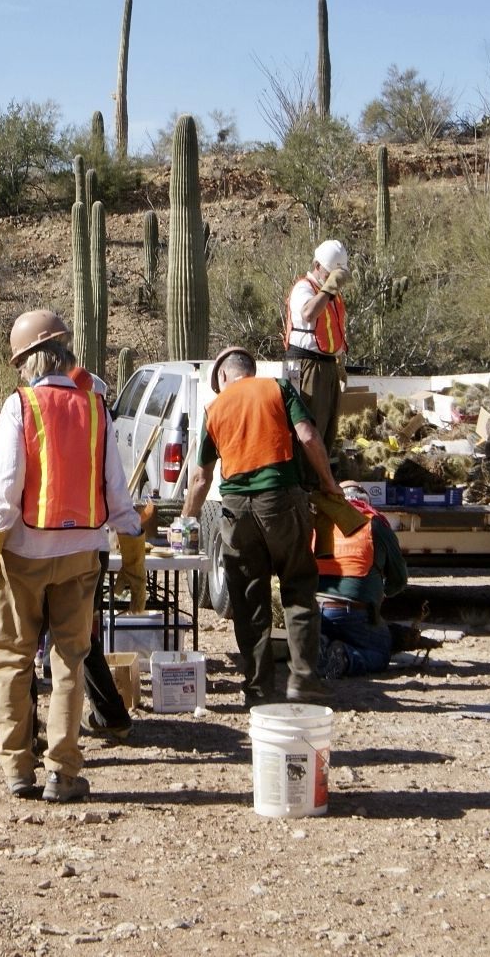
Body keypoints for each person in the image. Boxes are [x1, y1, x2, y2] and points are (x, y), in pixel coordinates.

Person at [0, 310, 140, 803]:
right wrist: (132, 551)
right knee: (70, 660)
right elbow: (117, 490)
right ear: (65, 352)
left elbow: (6, 489)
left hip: (23, 552)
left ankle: (17, 768)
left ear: (28, 359)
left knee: (12, 656)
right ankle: (64, 771)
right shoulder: (97, 408)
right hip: (81, 557)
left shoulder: (20, 406)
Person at [0, 403, 137, 742]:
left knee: (25, 648)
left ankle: (27, 738)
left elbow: (2, 514)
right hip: (84, 548)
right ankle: (100, 723)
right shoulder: (43, 442)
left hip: (35, 557)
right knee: (76, 643)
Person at [178, 346, 344, 708]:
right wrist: (329, 482)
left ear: (223, 377)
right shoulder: (279, 388)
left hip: (236, 511)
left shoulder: (215, 408)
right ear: (249, 370)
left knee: (249, 598)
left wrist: (186, 521)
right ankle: (303, 679)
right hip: (280, 502)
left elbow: (200, 478)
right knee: (298, 586)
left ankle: (257, 687)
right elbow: (309, 436)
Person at [315, 481, 411, 678]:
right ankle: (346, 658)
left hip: (314, 611)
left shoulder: (318, 521)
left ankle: (321, 643)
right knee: (379, 653)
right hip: (355, 612)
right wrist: (382, 593)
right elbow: (399, 579)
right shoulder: (375, 525)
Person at [284, 240, 350, 453]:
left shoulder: (330, 295)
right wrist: (329, 289)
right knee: (310, 432)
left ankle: (320, 482)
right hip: (307, 367)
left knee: (328, 432)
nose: (332, 280)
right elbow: (308, 313)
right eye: (330, 273)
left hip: (328, 366)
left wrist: (339, 362)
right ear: (317, 266)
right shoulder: (305, 287)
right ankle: (306, 483)